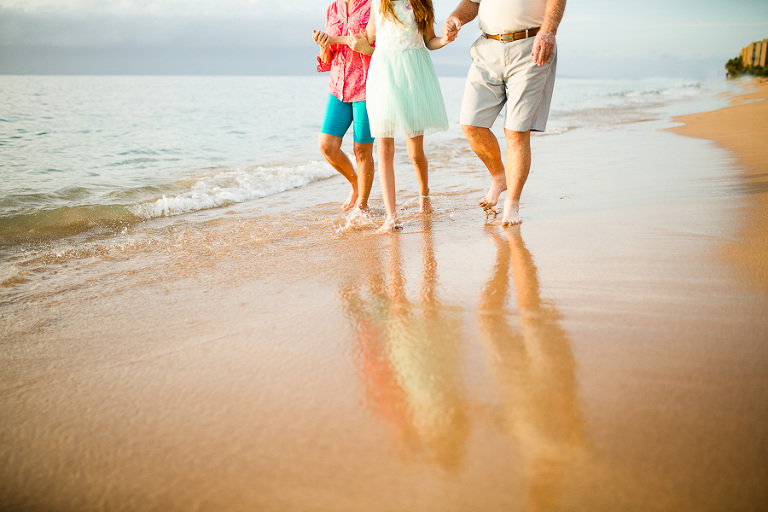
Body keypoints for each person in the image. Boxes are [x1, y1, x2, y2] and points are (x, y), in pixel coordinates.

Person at [444, 0, 566, 226]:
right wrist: (455, 16)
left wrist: (548, 32)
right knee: (471, 124)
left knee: (516, 131)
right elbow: (472, 2)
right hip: (487, 48)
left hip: (530, 45)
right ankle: (500, 177)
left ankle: (512, 205)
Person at [362, 0, 454, 233]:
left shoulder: (422, 3)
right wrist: (337, 41)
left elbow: (430, 41)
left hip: (413, 74)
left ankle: (425, 196)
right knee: (384, 148)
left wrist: (446, 39)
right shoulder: (378, 3)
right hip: (383, 74)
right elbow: (368, 36)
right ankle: (391, 216)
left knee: (415, 151)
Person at [313, 0, 376, 213]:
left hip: (367, 87)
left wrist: (332, 38)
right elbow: (328, 57)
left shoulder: (373, 5)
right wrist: (324, 46)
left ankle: (363, 206)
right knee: (326, 145)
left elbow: (373, 43)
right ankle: (355, 185)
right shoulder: (333, 8)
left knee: (362, 150)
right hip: (338, 87)